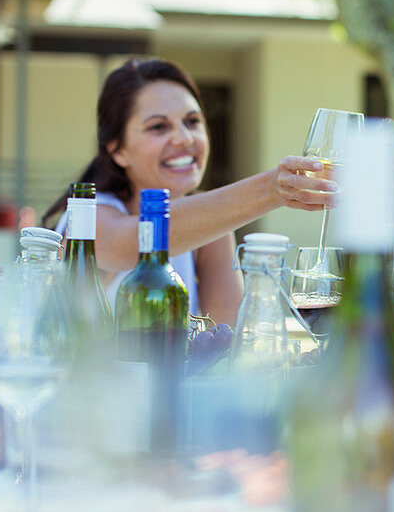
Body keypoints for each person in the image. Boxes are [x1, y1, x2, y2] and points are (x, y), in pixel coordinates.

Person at [43, 58, 332, 322]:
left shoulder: (211, 227)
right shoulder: (88, 216)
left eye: (192, 122)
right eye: (158, 127)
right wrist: (271, 190)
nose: (184, 138)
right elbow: (137, 240)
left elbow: (224, 340)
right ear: (117, 150)